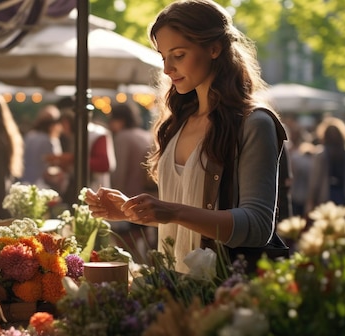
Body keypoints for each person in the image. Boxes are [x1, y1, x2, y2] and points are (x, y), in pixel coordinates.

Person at [85, 0, 288, 273]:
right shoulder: (177, 123)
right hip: (173, 290)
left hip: (223, 297)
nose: (167, 69)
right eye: (163, 57)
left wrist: (172, 211)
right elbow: (188, 216)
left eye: (178, 55)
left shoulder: (254, 123)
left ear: (214, 48)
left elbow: (257, 226)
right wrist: (133, 211)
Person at [108, 102, 157, 262]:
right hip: (150, 197)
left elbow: (120, 170)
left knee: (129, 248)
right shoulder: (145, 134)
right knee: (149, 245)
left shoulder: (123, 137)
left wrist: (114, 196)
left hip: (129, 198)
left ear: (119, 119)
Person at [305, 116, 345, 218]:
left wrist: (311, 202)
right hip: (342, 197)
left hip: (328, 197)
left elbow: (314, 182)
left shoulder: (321, 155)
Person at [21, 104, 67, 192]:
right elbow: (55, 163)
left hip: (25, 182)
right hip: (42, 187)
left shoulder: (30, 135)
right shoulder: (50, 140)